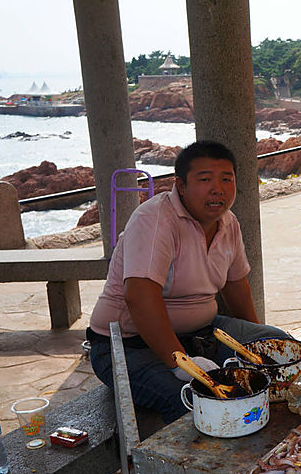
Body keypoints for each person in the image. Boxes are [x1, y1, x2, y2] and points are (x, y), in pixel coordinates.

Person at [86, 140, 289, 423]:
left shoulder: (228, 223)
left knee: (279, 348)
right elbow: (140, 298)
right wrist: (179, 361)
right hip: (127, 345)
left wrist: (253, 344)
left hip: (202, 334)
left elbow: (235, 284)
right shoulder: (154, 219)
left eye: (226, 179)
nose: (217, 188)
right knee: (195, 400)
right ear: (180, 186)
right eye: (205, 179)